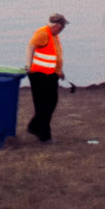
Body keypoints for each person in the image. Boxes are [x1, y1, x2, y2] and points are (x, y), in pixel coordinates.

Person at [23, 13, 67, 142]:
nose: (63, 29)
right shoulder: (43, 33)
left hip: (51, 74)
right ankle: (42, 134)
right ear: (58, 26)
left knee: (50, 103)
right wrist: (28, 65)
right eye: (62, 26)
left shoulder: (54, 35)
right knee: (44, 105)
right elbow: (30, 46)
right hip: (39, 75)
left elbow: (54, 54)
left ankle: (36, 128)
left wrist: (59, 70)